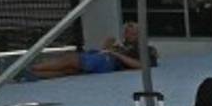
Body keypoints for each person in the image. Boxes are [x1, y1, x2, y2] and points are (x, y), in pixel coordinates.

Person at [25, 22, 158, 79]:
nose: (128, 35)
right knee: (68, 70)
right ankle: (32, 74)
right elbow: (104, 52)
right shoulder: (123, 45)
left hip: (109, 61)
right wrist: (108, 46)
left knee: (71, 59)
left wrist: (114, 53)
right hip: (105, 60)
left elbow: (141, 65)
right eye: (127, 33)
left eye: (132, 33)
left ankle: (29, 68)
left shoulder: (144, 48)